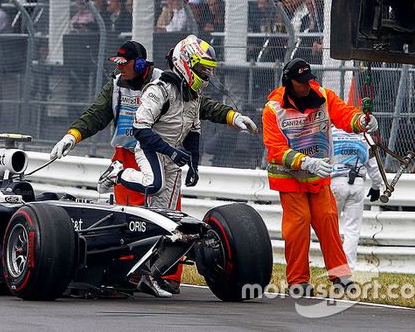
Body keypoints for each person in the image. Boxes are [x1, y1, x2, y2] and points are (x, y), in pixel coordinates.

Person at [50, 38, 258, 297]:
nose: (119, 69)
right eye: (117, 65)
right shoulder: (116, 86)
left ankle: (164, 275)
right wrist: (72, 136)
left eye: (124, 65)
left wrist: (231, 117)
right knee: (125, 221)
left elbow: (203, 109)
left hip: (164, 155)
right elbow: (96, 115)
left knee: (168, 217)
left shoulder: (167, 84)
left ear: (139, 64)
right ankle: (122, 277)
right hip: (127, 155)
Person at [262, 58, 379, 295]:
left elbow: (345, 115)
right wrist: (306, 162)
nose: (306, 86)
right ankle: (298, 281)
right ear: (289, 82)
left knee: (328, 220)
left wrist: (362, 122)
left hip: (319, 177)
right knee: (298, 225)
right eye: (301, 83)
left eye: (308, 81)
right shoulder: (273, 109)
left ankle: (341, 276)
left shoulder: (323, 96)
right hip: (290, 178)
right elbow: (276, 148)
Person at [329, 127, 384, 270]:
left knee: (330, 227)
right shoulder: (364, 136)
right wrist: (376, 186)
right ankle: (347, 266)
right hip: (357, 184)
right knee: (352, 229)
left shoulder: (330, 132)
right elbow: (374, 164)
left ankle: (332, 263)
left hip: (335, 183)